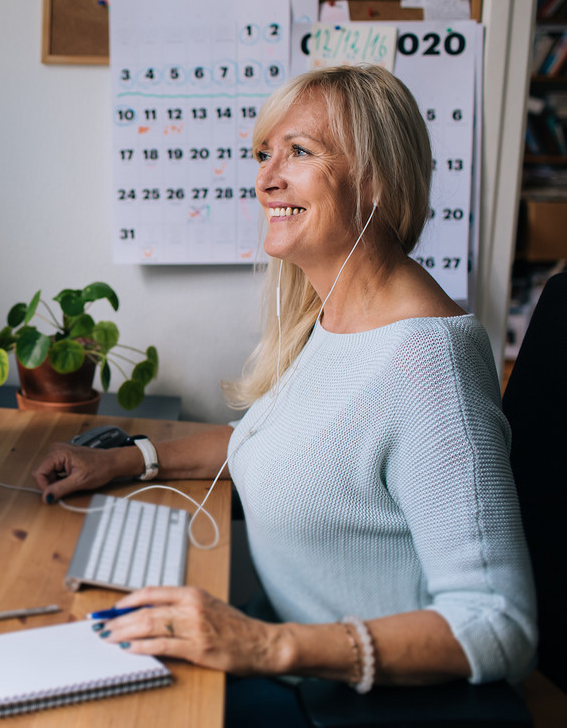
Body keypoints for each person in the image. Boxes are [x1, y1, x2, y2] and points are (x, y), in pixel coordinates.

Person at [31, 65, 536, 717]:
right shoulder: (334, 316)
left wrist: (265, 645)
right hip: (290, 661)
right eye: (264, 154)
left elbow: (499, 625)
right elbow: (278, 441)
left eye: (299, 152)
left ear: (377, 179)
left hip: (355, 703)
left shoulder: (430, 364)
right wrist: (127, 460)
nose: (266, 179)